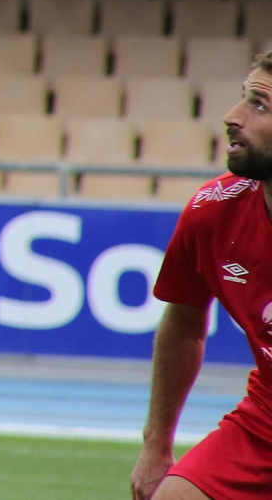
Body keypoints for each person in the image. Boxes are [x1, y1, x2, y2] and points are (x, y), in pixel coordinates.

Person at [130, 52, 272, 500]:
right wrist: (157, 444)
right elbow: (183, 321)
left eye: (260, 105)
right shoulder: (212, 212)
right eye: (242, 99)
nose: (232, 118)